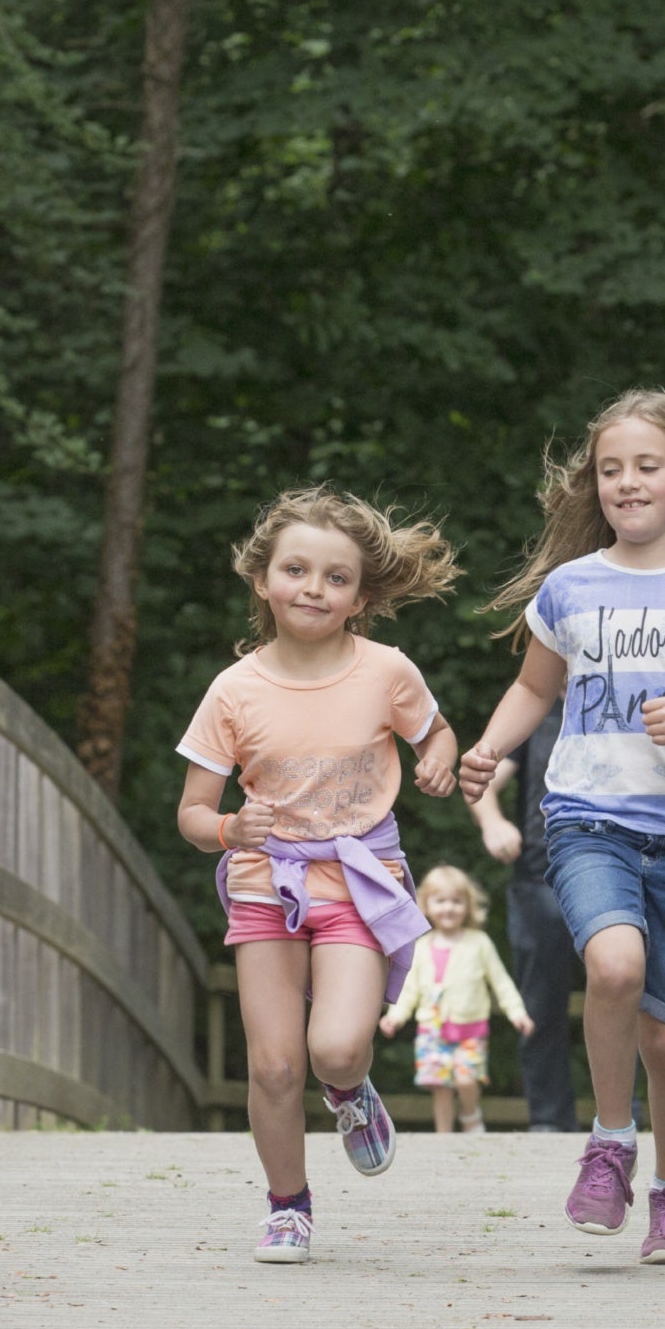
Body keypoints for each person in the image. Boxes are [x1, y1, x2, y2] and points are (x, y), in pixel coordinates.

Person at [460, 389, 665, 1265]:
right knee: (613, 964)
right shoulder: (572, 587)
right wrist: (489, 751)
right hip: (586, 818)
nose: (627, 483)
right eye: (611, 470)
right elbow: (535, 689)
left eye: (647, 467)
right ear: (593, 486)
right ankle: (610, 1141)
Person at [175, 486, 462, 1264]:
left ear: (361, 596)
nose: (313, 588)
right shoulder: (233, 691)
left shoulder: (386, 670)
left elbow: (436, 732)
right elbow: (194, 815)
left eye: (335, 578)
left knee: (335, 1048)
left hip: (361, 876)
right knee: (272, 1065)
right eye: (295, 570)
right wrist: (232, 827)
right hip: (267, 880)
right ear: (262, 579)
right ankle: (287, 1206)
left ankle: (349, 1090)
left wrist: (437, 758)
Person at [463, 706, 582, 1131]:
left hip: (623, 869)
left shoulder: (630, 700)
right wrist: (493, 823)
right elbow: (482, 781)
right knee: (539, 1005)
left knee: (631, 992)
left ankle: (634, 1117)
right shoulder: (538, 709)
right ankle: (549, 1121)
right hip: (539, 875)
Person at [381, 866, 534, 1134]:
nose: (448, 908)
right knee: (439, 1087)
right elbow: (409, 990)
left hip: (469, 1030)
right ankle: (444, 1137)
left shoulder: (480, 942)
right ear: (426, 904)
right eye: (440, 901)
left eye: (456, 901)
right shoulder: (421, 945)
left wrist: (517, 1013)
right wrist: (395, 1017)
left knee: (466, 1080)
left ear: (468, 905)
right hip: (432, 1031)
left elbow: (501, 982)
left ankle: (470, 1114)